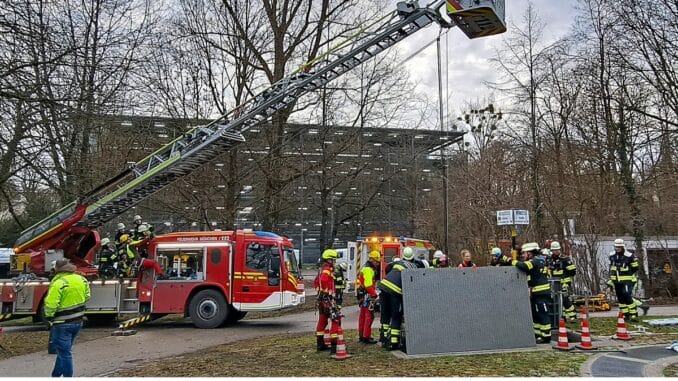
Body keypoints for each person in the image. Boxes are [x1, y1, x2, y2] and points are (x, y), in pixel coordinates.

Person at [44, 259, 91, 377]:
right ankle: (55, 375)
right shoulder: (81, 279)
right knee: (63, 351)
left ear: (56, 270)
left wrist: (49, 317)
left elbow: (51, 304)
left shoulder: (59, 283)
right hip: (77, 322)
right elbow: (87, 296)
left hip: (62, 323)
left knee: (65, 353)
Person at [500, 242, 552, 343]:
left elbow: (523, 266)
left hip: (541, 293)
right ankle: (538, 334)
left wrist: (509, 260)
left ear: (530, 253)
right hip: (536, 294)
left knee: (542, 314)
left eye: (524, 253)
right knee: (536, 315)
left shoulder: (535, 261)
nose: (523, 255)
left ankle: (546, 336)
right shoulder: (539, 260)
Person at [378, 246, 416, 350]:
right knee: (396, 315)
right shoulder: (413, 267)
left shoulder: (397, 263)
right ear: (412, 257)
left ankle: (384, 338)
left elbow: (387, 268)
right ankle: (393, 343)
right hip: (395, 292)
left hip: (384, 287)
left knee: (385, 314)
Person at [607, 239, 648, 320]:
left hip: (627, 280)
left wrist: (627, 272)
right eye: (616, 247)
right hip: (616, 280)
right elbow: (611, 269)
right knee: (620, 298)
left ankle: (634, 314)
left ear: (622, 246)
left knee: (626, 295)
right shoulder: (612, 255)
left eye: (619, 247)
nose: (617, 248)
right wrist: (610, 283)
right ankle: (626, 314)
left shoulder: (629, 256)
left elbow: (635, 267)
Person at [315, 249, 341, 353]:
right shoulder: (327, 270)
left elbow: (316, 282)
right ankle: (334, 347)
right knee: (336, 320)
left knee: (322, 321)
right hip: (328, 300)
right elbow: (324, 280)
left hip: (322, 300)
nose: (335, 262)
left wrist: (320, 292)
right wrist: (327, 293)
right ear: (330, 260)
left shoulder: (322, 269)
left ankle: (320, 344)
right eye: (334, 260)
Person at [549, 241, 577, 322]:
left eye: (557, 250)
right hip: (554, 283)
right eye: (554, 250)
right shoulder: (550, 259)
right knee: (557, 299)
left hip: (564, 282)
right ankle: (562, 316)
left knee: (564, 299)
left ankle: (573, 316)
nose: (556, 252)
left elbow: (572, 271)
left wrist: (567, 270)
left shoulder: (565, 259)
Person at [357, 251, 380, 344]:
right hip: (367, 296)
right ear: (371, 260)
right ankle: (366, 336)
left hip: (363, 296)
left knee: (362, 316)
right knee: (369, 316)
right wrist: (375, 294)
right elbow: (368, 285)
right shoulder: (369, 270)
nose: (377, 264)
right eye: (376, 262)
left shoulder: (365, 268)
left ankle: (362, 336)